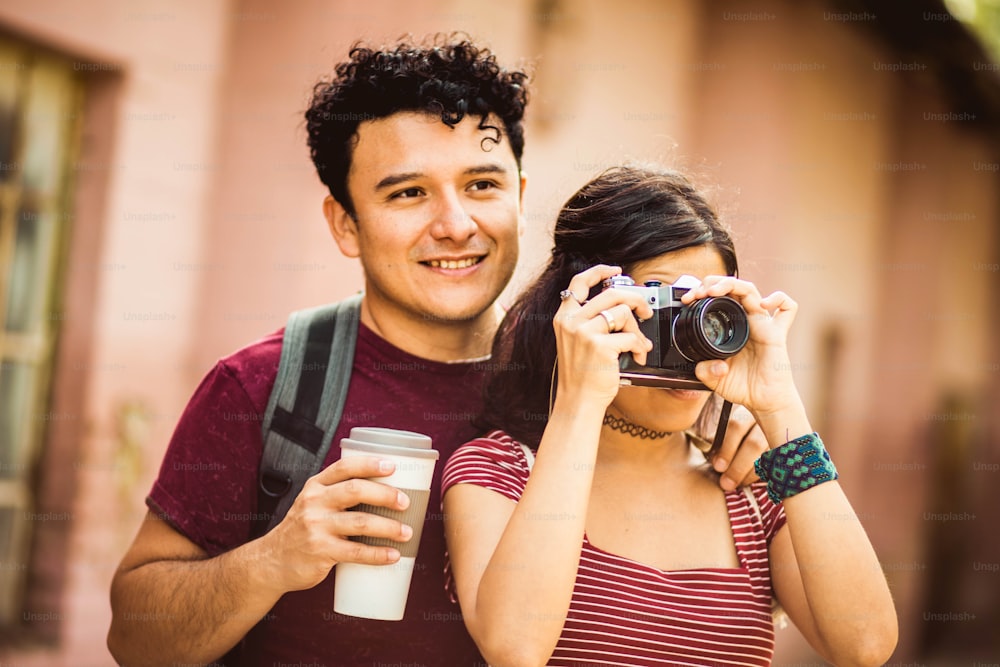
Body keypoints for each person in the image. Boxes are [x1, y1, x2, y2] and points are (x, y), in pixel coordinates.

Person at [106, 35, 766, 666]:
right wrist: (274, 558)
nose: (455, 225)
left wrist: (706, 425)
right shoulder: (265, 386)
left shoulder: (595, 375)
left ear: (521, 196)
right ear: (345, 223)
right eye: (408, 193)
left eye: (482, 185)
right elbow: (135, 638)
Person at [442, 165, 899, 666]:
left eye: (705, 310)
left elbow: (866, 646)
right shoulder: (501, 470)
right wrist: (579, 400)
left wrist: (781, 406)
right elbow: (514, 648)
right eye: (663, 305)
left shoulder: (752, 489)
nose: (690, 340)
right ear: (583, 310)